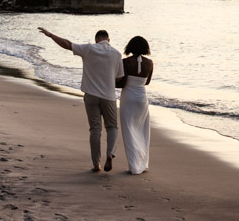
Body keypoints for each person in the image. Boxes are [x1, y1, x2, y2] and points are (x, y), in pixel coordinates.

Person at [38, 27, 125, 172]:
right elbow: (120, 77)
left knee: (95, 129)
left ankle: (96, 164)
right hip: (109, 96)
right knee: (112, 127)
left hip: (91, 95)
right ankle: (110, 153)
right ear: (108, 40)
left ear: (96, 39)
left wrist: (50, 35)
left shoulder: (89, 49)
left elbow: (67, 44)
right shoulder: (116, 54)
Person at [115, 35, 153, 174]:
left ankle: (134, 166)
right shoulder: (150, 63)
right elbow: (147, 82)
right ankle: (143, 164)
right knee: (143, 130)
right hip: (142, 98)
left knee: (129, 130)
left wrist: (108, 83)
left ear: (130, 47)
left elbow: (122, 83)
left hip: (128, 96)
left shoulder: (125, 62)